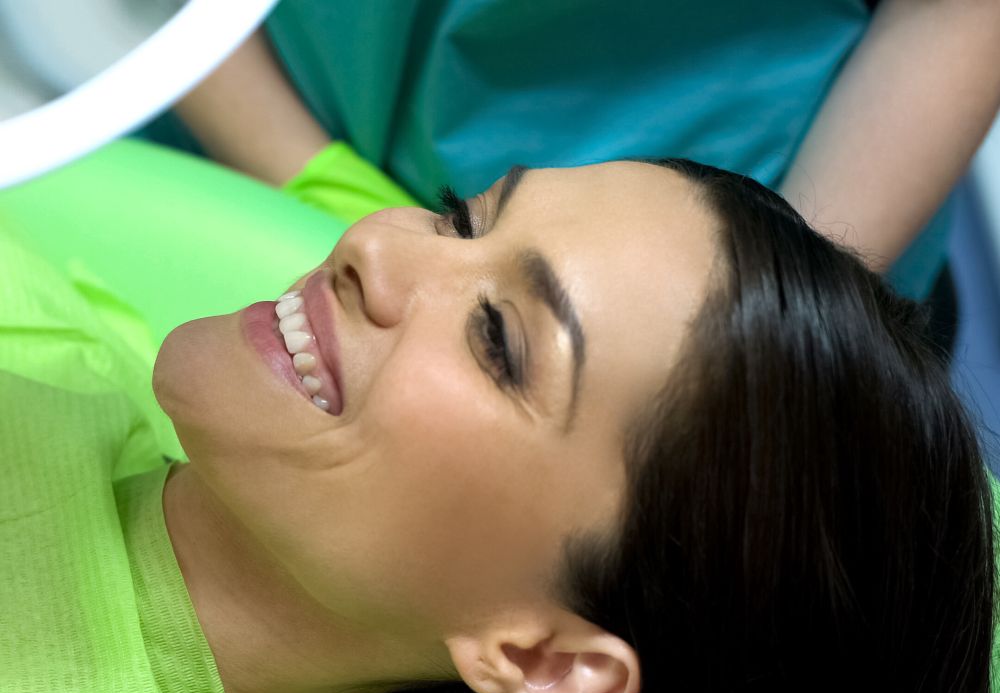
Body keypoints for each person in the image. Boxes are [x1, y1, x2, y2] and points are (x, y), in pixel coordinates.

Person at [64, 154, 1000, 693]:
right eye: (460, 220)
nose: (376, 249)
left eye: (497, 344)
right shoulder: (70, 322)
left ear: (543, 659)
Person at [155, 0, 1000, 361]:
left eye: (504, 350)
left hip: (783, 218)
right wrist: (298, 172)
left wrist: (774, 319)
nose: (376, 259)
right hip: (244, 116)